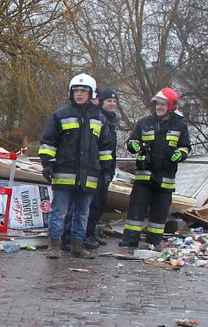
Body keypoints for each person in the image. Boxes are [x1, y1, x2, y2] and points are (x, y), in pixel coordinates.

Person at [38, 73, 112, 259]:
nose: (79, 94)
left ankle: (78, 245)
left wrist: (106, 171)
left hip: (89, 174)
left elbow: (105, 148)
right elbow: (48, 142)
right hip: (65, 172)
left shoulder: (100, 118)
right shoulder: (60, 115)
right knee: (59, 211)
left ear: (91, 93)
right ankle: (54, 245)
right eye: (76, 90)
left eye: (83, 91)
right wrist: (48, 165)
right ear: (71, 93)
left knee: (82, 213)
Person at [121, 87, 191, 249]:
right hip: (144, 177)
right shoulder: (144, 123)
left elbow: (185, 147)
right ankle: (130, 240)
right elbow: (132, 142)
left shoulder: (180, 126)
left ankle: (154, 240)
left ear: (172, 106)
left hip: (165, 177)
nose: (158, 107)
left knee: (159, 212)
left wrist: (180, 154)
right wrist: (133, 145)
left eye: (163, 104)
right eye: (157, 104)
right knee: (136, 210)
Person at [83, 88, 120, 249]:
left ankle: (92, 234)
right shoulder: (98, 118)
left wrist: (109, 169)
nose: (112, 104)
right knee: (92, 203)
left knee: (99, 204)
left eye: (114, 101)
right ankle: (86, 234)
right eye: (108, 101)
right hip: (95, 168)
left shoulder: (111, 121)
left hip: (106, 168)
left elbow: (110, 149)